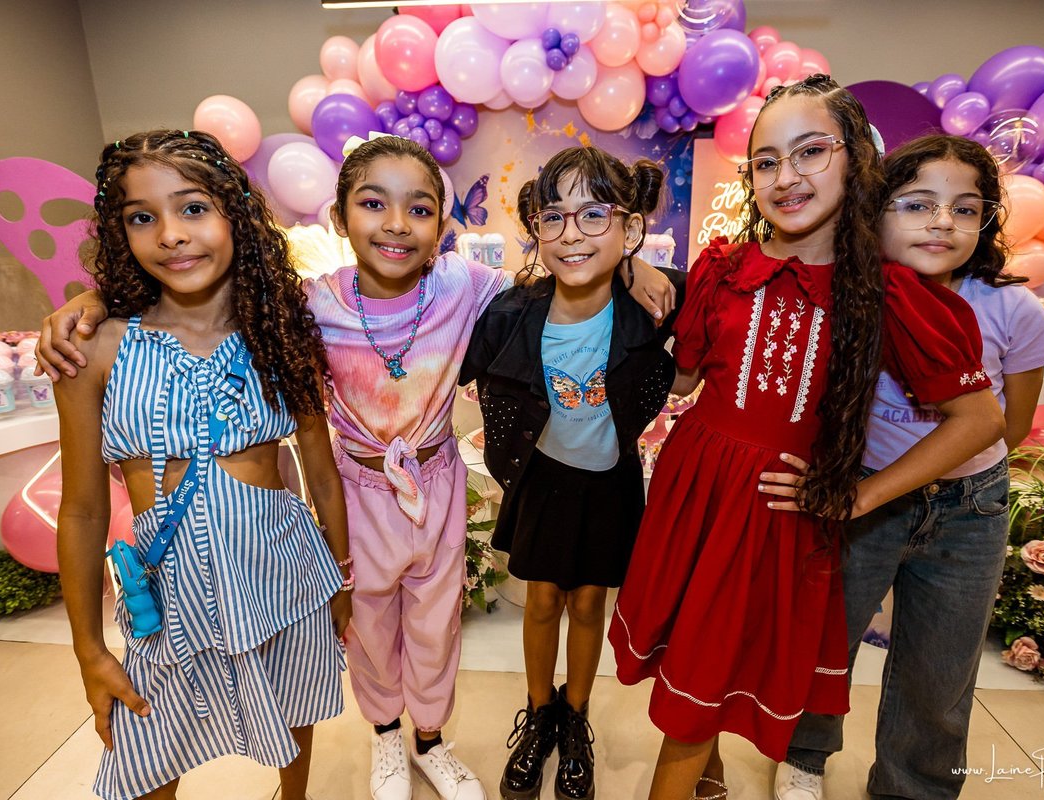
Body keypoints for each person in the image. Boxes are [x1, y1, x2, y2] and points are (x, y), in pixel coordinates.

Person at [39, 133, 676, 800]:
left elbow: (557, 278)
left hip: (436, 486)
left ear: (443, 228)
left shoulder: (466, 286)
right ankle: (385, 734)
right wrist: (95, 303)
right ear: (339, 219)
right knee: (368, 629)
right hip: (357, 488)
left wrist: (631, 269)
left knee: (436, 628)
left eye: (419, 209)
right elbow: (196, 304)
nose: (396, 224)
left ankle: (430, 738)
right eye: (373, 204)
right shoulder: (306, 304)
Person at [606, 76, 1006, 800]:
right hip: (697, 490)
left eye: (811, 152)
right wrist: (627, 274)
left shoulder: (883, 292)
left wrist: (862, 496)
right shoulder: (723, 268)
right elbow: (685, 381)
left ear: (857, 159)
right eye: (766, 161)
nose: (785, 177)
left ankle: (692, 772)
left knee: (707, 675)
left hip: (773, 511)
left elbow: (979, 420)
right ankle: (708, 776)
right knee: (693, 653)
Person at [772, 134, 1044, 800]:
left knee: (941, 666)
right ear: (873, 212)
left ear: (985, 222)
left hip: (970, 509)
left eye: (965, 209)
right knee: (825, 641)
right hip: (861, 501)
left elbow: (1010, 423)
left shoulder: (1010, 306)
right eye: (917, 204)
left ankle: (915, 785)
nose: (942, 222)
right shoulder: (850, 297)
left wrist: (945, 471)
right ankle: (804, 756)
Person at [54, 129, 351, 800]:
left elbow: (321, 475)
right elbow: (82, 510)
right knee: (145, 756)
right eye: (141, 217)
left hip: (288, 581)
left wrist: (343, 579)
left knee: (294, 712)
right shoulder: (94, 350)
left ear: (236, 216)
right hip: (170, 601)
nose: (170, 234)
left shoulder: (281, 335)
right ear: (120, 232)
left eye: (193, 208)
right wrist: (89, 649)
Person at [460, 146, 687, 800]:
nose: (571, 234)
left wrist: (636, 266)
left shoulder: (649, 305)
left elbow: (716, 288)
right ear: (536, 228)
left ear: (629, 225)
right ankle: (539, 716)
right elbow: (453, 356)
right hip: (542, 477)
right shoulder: (513, 312)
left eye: (594, 215)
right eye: (553, 217)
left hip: (609, 480)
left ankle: (575, 715)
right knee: (542, 600)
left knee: (589, 602)